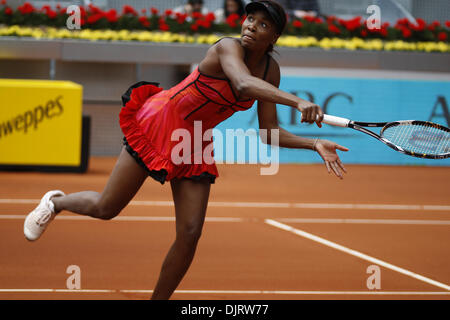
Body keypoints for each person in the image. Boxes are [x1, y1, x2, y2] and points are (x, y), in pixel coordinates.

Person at [23, 0, 348, 300]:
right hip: (161, 120)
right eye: (250, 18)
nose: (251, 26)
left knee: (191, 232)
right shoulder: (226, 47)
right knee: (107, 208)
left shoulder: (270, 71)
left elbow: (269, 132)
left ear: (275, 36)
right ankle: (56, 202)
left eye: (263, 24)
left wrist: (313, 143)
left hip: (194, 139)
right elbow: (242, 85)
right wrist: (298, 100)